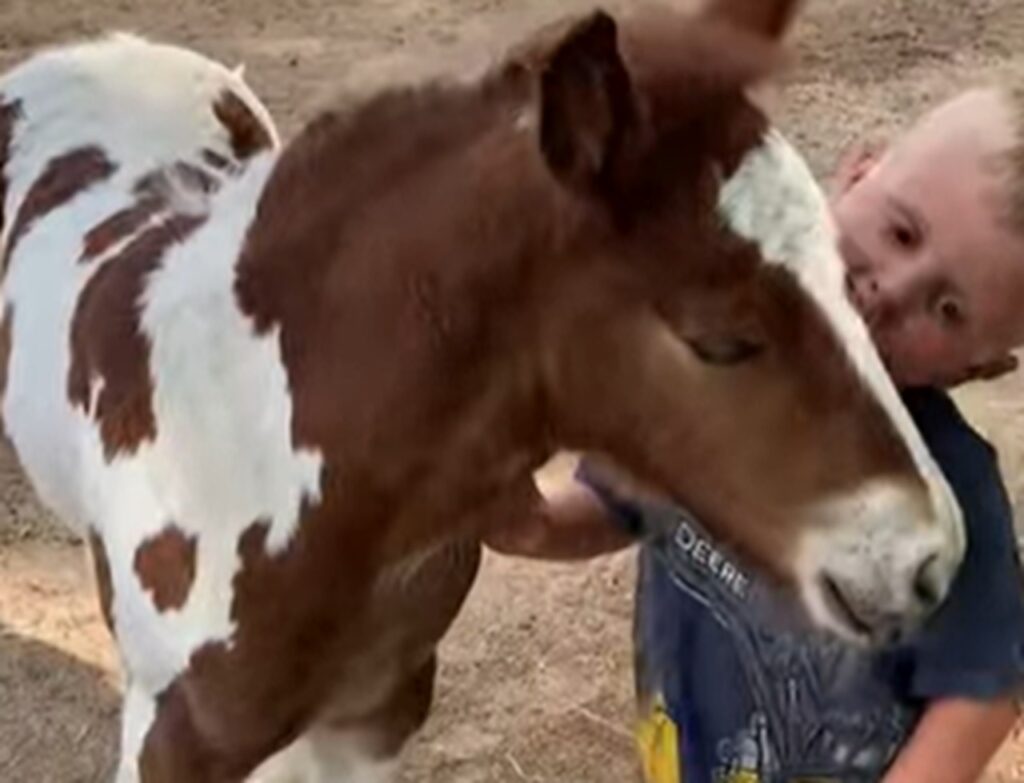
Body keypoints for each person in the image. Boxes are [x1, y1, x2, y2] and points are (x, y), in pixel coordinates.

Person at [486, 86, 1024, 783]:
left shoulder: (947, 495)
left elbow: (982, 692)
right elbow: (613, 510)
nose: (890, 290)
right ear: (857, 173)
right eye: (902, 232)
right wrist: (525, 518)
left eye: (947, 309)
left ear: (975, 368)